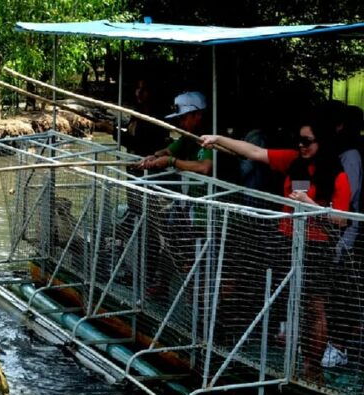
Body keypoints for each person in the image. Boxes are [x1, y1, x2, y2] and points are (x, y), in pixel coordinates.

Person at [201, 116, 352, 379]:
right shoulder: (294, 161)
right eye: (299, 140)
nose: (301, 146)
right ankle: (232, 346)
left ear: (322, 142)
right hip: (285, 239)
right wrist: (217, 139)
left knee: (314, 306)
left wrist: (310, 205)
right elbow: (255, 152)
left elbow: (341, 219)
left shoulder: (338, 176)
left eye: (307, 141)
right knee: (271, 290)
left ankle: (312, 368)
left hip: (316, 247)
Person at [138, 91, 213, 176]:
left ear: (198, 115)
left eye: (183, 118)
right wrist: (155, 157)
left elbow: (204, 167)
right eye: (179, 119)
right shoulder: (188, 137)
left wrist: (171, 161)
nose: (181, 123)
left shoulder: (213, 138)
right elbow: (168, 151)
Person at [116, 78, 169, 156]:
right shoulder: (136, 113)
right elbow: (131, 136)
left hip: (147, 162)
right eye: (138, 88)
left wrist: (111, 130)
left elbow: (138, 144)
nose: (139, 92)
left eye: (144, 89)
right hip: (134, 161)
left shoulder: (156, 118)